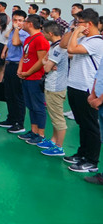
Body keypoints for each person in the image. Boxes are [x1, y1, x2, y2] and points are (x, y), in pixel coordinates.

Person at [62, 8, 103, 173]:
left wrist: (76, 32)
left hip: (86, 88)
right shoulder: (84, 39)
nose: (76, 25)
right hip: (75, 86)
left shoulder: (96, 42)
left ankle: (91, 161)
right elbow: (64, 45)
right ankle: (82, 154)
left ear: (89, 24)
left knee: (90, 126)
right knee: (82, 123)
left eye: (79, 23)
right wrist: (74, 30)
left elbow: (71, 49)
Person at [16, 15, 49, 145]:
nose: (22, 24)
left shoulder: (40, 39)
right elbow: (24, 56)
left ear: (30, 24)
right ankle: (34, 131)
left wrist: (28, 72)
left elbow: (42, 60)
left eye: (24, 21)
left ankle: (41, 134)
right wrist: (20, 69)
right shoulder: (28, 39)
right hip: (26, 77)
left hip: (35, 78)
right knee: (30, 106)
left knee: (38, 106)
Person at [40, 21, 69, 158]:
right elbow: (44, 61)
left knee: (58, 119)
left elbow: (45, 67)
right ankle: (53, 140)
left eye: (44, 32)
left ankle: (59, 147)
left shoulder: (58, 49)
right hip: (52, 85)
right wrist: (47, 63)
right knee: (54, 117)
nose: (42, 34)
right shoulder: (54, 46)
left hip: (55, 87)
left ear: (50, 33)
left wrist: (47, 64)